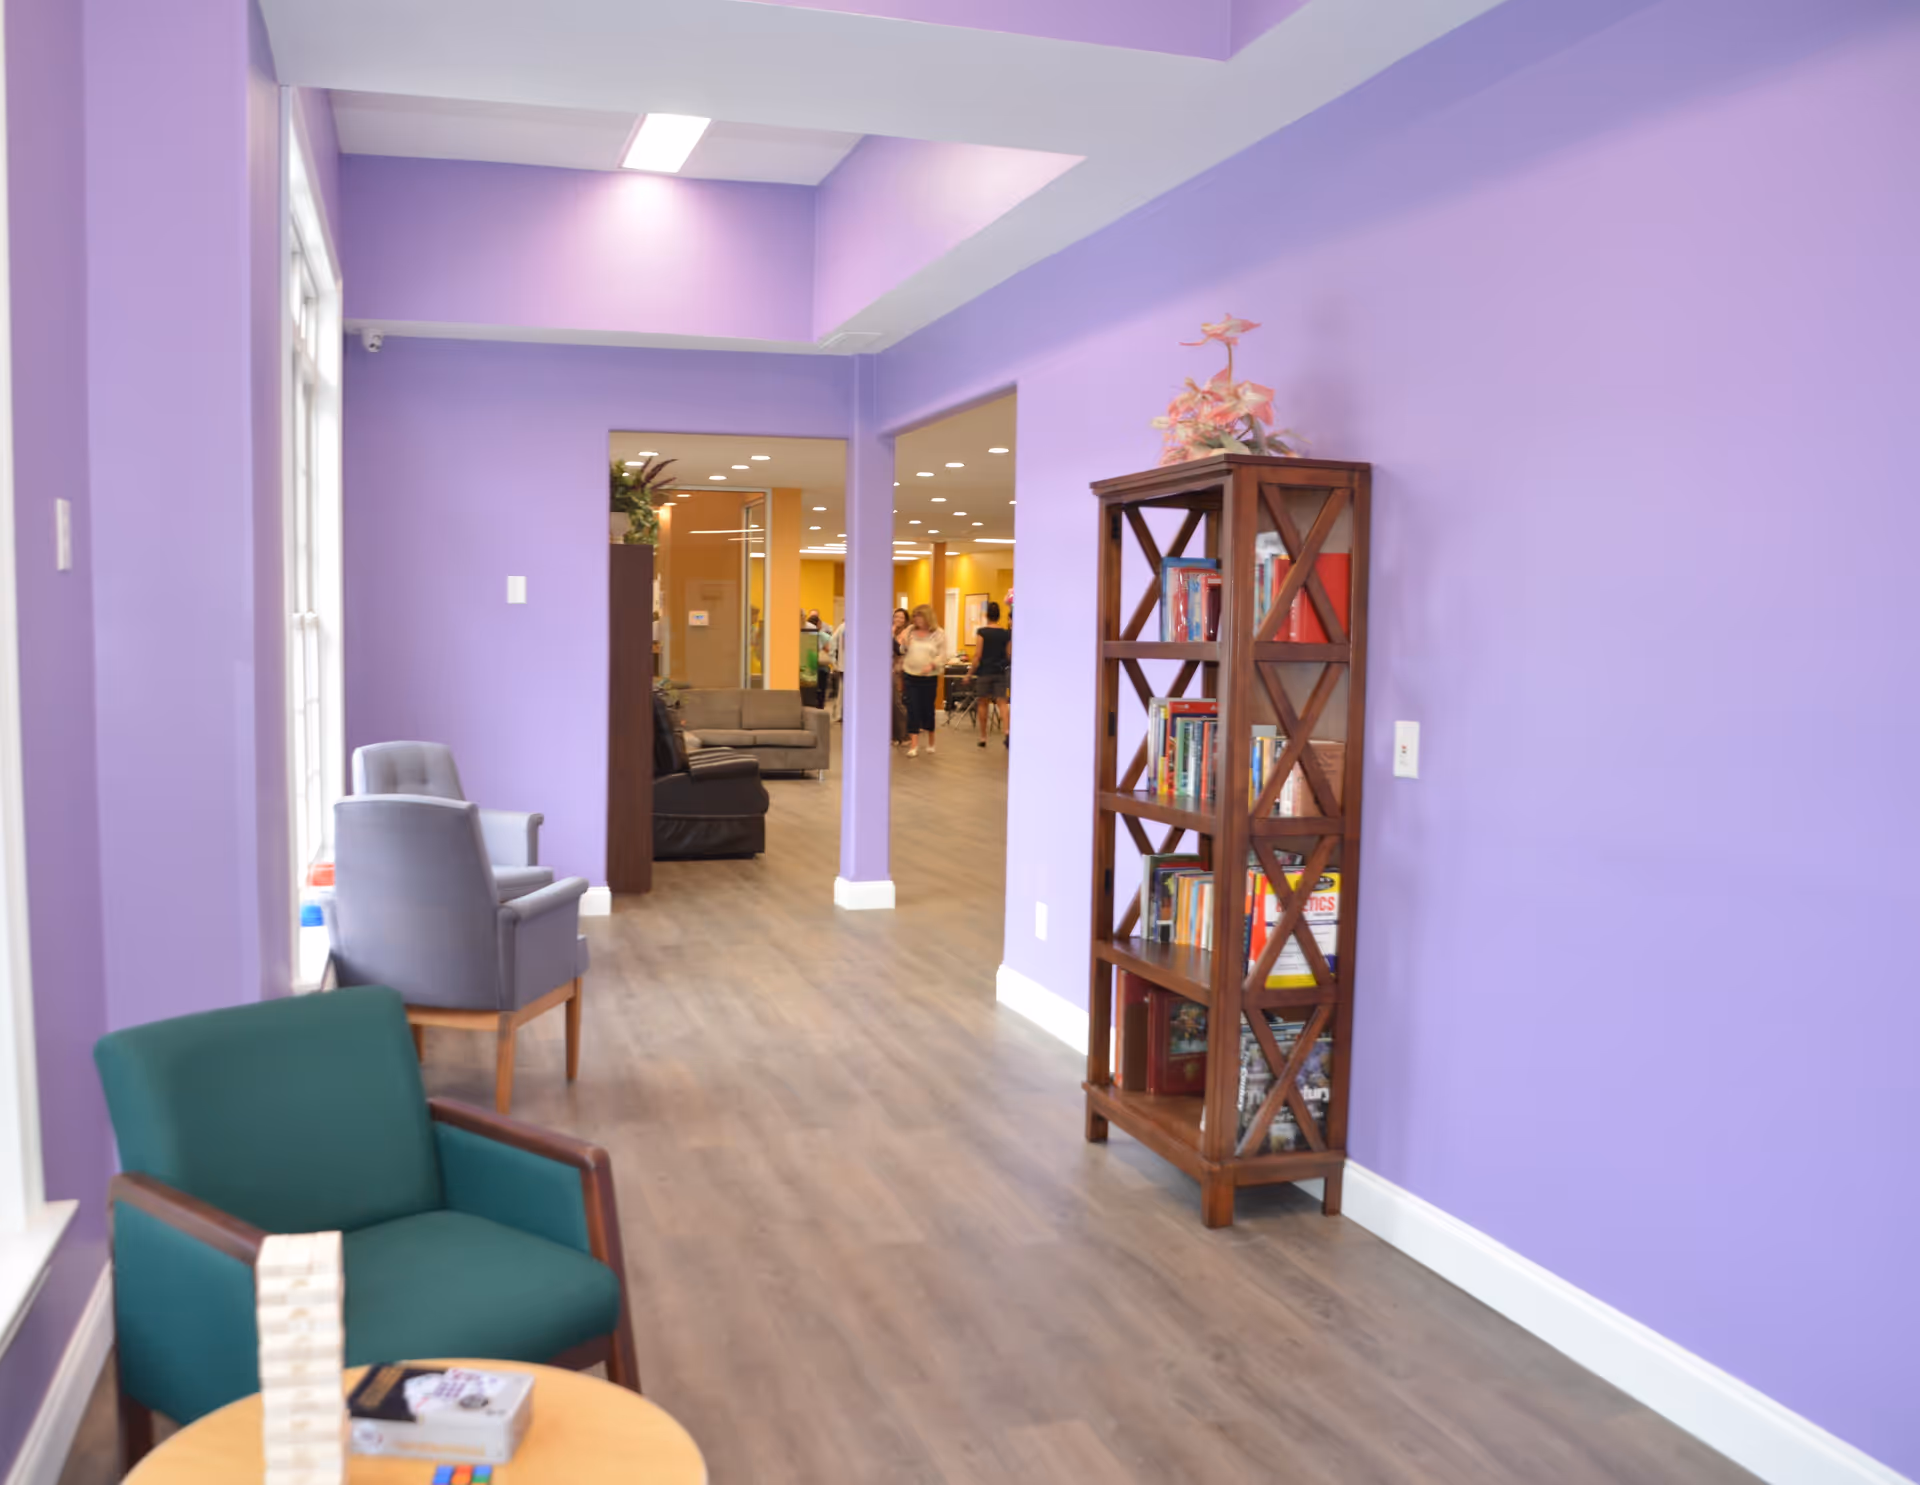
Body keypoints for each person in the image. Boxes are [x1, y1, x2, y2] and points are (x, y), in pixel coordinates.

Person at [898, 604, 950, 757]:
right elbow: (902, 649)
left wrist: (932, 664)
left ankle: (931, 741)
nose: (917, 619)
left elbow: (942, 655)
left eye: (919, 616)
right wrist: (904, 645)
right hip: (910, 674)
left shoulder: (938, 634)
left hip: (929, 677)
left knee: (927, 709)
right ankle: (913, 745)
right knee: (912, 709)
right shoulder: (910, 631)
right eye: (915, 616)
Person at [969, 600, 1011, 748]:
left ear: (987, 615)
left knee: (982, 703)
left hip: (985, 672)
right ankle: (1007, 731)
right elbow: (1008, 654)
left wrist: (969, 674)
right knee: (1002, 703)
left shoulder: (982, 632)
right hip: (999, 672)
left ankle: (983, 737)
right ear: (999, 616)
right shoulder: (1005, 634)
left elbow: (977, 655)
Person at [890, 607, 911, 744]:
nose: (898, 619)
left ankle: (905, 733)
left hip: (900, 670)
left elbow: (902, 650)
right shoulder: (891, 630)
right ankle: (895, 734)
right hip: (890, 669)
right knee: (891, 702)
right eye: (896, 616)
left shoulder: (906, 632)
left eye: (901, 617)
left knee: (897, 702)